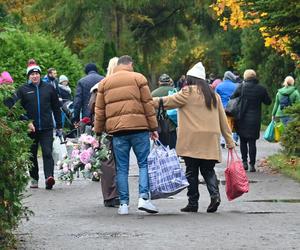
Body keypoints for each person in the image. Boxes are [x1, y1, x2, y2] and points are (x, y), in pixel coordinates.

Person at [153, 62, 235, 213]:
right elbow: (223, 119)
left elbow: (166, 102)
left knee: (191, 171)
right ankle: (215, 196)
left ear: (190, 79)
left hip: (192, 139)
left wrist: (146, 102)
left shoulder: (187, 93)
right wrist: (229, 140)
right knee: (208, 170)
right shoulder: (213, 95)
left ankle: (193, 203)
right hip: (210, 138)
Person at [94, 55, 159, 215]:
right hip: (139, 129)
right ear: (130, 64)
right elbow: (148, 105)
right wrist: (153, 128)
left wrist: (98, 132)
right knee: (143, 163)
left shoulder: (105, 83)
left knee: (122, 168)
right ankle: (144, 198)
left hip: (117, 132)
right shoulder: (138, 78)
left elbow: (99, 111)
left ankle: (123, 204)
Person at [7, 59, 62, 189]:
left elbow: (56, 107)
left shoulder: (49, 88)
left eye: (37, 73)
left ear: (40, 75)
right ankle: (34, 179)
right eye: (32, 74)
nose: (35, 76)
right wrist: (26, 121)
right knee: (31, 154)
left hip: (47, 127)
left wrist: (59, 125)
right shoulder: (23, 90)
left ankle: (49, 177)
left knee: (47, 152)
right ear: (29, 76)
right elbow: (12, 107)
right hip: (30, 129)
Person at [89, 57, 119, 207]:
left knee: (106, 162)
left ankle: (109, 196)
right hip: (122, 128)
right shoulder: (126, 84)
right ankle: (121, 194)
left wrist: (98, 130)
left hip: (106, 129)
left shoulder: (100, 86)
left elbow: (93, 107)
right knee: (121, 161)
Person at [231, 69, 271, 172]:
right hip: (255, 119)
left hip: (242, 118)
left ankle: (244, 162)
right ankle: (252, 164)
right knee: (252, 142)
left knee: (243, 141)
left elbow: (232, 97)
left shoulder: (241, 87)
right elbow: (268, 102)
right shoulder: (261, 88)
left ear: (245, 77)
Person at [151, 73, 177, 149]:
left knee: (161, 149)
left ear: (159, 82)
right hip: (172, 125)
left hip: (159, 126)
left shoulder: (153, 93)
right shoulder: (175, 92)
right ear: (169, 81)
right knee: (173, 149)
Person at [215, 71, 238, 147]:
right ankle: (232, 139)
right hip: (232, 108)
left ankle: (222, 140)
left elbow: (215, 97)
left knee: (222, 123)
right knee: (232, 123)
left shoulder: (219, 86)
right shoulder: (235, 86)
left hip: (222, 108)